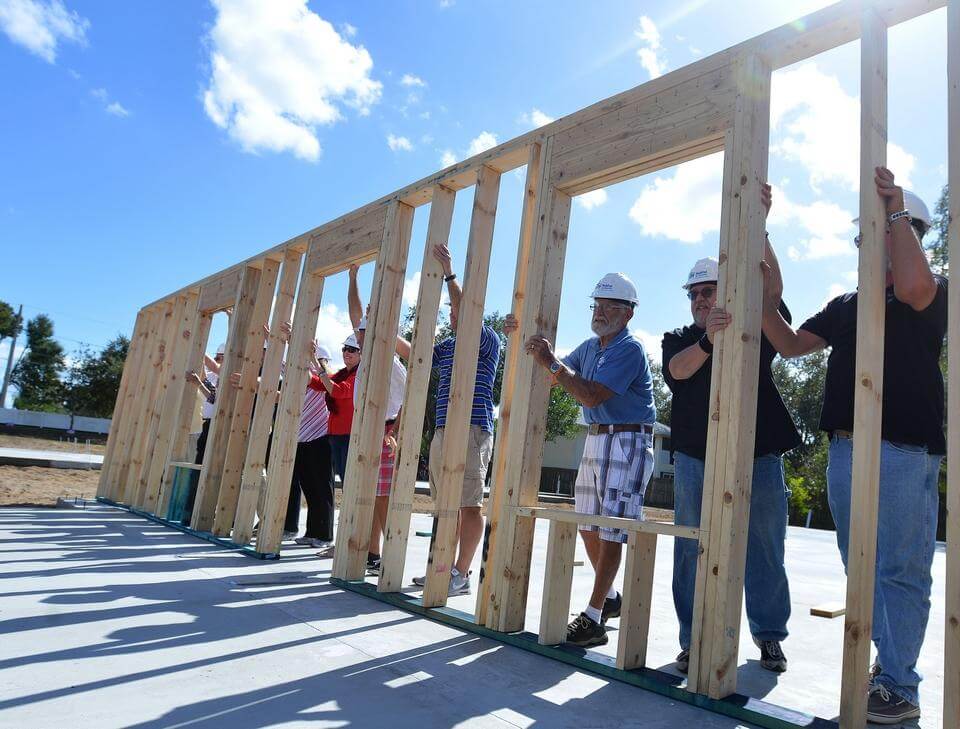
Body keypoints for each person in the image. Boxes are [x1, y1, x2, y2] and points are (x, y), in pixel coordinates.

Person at [759, 167, 945, 725]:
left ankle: (899, 687)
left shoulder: (932, 290)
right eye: (862, 235)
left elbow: (912, 287)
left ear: (906, 232)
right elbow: (789, 344)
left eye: (875, 232)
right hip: (846, 449)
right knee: (860, 565)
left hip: (905, 450)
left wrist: (893, 210)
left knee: (901, 569)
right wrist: (758, 242)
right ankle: (888, 671)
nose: (864, 244)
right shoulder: (847, 303)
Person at [662, 183, 798, 675]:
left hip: (759, 452)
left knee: (764, 545)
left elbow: (773, 293)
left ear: (728, 290)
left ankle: (769, 636)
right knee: (690, 546)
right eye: (695, 293)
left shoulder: (753, 324)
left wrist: (760, 227)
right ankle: (692, 640)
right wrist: (708, 340)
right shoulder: (681, 337)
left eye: (709, 290)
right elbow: (677, 370)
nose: (701, 299)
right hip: (696, 457)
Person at [515, 272, 655, 647]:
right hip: (596, 439)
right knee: (587, 523)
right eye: (597, 305)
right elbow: (555, 374)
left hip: (626, 439)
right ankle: (609, 598)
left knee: (611, 528)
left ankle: (593, 617)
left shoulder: (629, 349)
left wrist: (551, 362)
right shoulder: (591, 348)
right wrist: (524, 340)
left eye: (610, 307)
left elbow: (590, 395)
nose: (600, 312)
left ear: (628, 313)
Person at [397, 244, 501, 597]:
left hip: (472, 428)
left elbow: (468, 313)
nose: (453, 316)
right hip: (444, 429)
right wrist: (384, 327)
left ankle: (461, 573)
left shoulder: (487, 339)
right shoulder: (449, 346)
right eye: (452, 312)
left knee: (469, 503)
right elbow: (417, 357)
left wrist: (450, 274)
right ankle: (441, 568)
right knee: (445, 506)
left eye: (458, 311)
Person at [344, 278, 407, 574]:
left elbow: (408, 399)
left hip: (385, 430)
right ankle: (372, 553)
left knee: (382, 496)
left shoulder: (390, 363)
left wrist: (396, 432)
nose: (358, 335)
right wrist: (353, 278)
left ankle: (388, 556)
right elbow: (355, 314)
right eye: (359, 332)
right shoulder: (369, 358)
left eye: (364, 332)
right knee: (368, 494)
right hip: (368, 429)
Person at [308, 333, 360, 526]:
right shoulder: (343, 373)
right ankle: (348, 522)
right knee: (345, 481)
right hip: (336, 436)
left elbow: (337, 390)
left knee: (349, 482)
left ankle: (351, 523)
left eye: (352, 350)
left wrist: (315, 366)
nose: (347, 353)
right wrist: (310, 361)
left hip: (348, 436)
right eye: (345, 349)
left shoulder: (358, 376)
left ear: (362, 354)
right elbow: (320, 383)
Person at [289, 343, 335, 549]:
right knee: (309, 487)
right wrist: (291, 341)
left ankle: (325, 535)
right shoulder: (302, 380)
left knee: (323, 488)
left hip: (320, 438)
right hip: (301, 438)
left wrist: (316, 359)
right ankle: (312, 531)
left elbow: (326, 377)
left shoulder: (325, 379)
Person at [187, 343, 223, 465]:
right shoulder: (214, 378)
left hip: (215, 425)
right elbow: (205, 380)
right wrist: (194, 345)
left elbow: (213, 398)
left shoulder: (228, 375)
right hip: (204, 425)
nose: (217, 360)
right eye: (216, 358)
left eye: (219, 358)